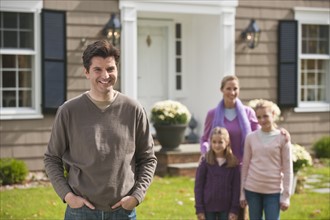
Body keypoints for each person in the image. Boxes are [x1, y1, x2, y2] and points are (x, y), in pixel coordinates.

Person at [44, 40, 157, 220]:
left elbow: (148, 159)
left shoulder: (134, 109)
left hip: (123, 211)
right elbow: (52, 158)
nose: (105, 75)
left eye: (110, 69)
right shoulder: (68, 111)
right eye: (98, 69)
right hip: (80, 212)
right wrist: (68, 196)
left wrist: (136, 196)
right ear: (86, 72)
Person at [240, 99, 293, 220]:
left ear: (273, 115)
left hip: (273, 192)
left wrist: (286, 196)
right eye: (259, 117)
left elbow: (288, 169)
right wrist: (242, 193)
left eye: (265, 116)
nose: (262, 120)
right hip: (252, 190)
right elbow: (245, 166)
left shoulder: (283, 138)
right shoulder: (250, 137)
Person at [195, 126, 240, 220]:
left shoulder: (233, 164)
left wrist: (234, 209)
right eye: (214, 142)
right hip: (208, 208)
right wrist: (199, 209)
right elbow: (198, 187)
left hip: (226, 208)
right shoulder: (205, 162)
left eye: (220, 142)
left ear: (227, 142)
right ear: (210, 142)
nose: (217, 145)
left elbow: (236, 189)